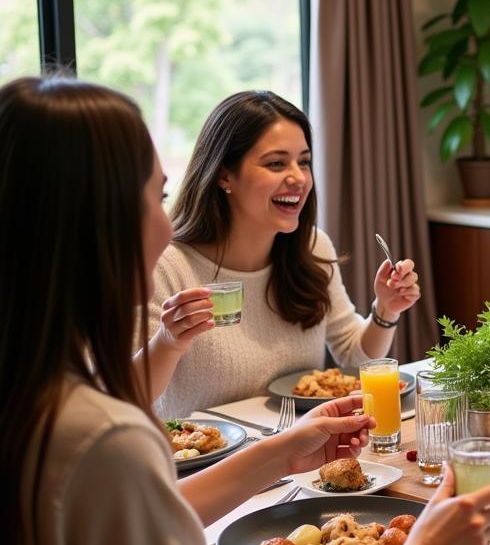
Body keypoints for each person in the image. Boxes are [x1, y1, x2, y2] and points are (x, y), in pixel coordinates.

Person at [0, 75, 490, 545]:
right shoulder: (103, 436)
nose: (163, 220)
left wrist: (279, 454)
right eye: (152, 195)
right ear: (98, 223)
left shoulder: (33, 403)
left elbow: (130, 516)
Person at [140, 90, 421, 419]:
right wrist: (168, 342)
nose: (299, 178)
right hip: (204, 463)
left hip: (302, 454)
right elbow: (127, 395)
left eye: (303, 162)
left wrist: (385, 309)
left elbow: (354, 358)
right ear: (224, 175)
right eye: (276, 163)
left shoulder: (313, 247)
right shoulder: (166, 264)